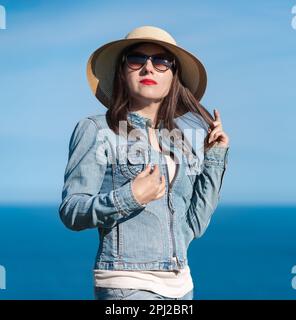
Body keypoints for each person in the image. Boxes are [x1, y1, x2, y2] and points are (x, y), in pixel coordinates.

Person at [58, 25, 230, 300]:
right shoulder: (97, 129)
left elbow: (195, 225)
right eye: (137, 59)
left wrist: (214, 157)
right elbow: (71, 211)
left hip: (182, 286)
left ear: (174, 77)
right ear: (121, 73)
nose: (149, 67)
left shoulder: (177, 141)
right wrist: (130, 197)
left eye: (162, 61)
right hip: (127, 284)